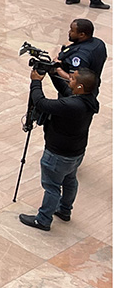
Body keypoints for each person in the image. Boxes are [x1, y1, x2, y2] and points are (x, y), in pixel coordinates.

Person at [19, 67, 100, 231]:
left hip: (58, 154)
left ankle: (43, 220)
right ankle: (64, 210)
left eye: (73, 79)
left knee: (52, 186)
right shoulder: (89, 99)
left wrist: (36, 82)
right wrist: (52, 72)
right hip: (76, 152)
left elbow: (42, 103)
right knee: (70, 180)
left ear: (80, 87)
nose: (69, 79)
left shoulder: (72, 105)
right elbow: (65, 89)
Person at [53, 19, 107, 97]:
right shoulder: (98, 43)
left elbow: (73, 78)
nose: (69, 32)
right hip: (92, 88)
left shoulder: (79, 57)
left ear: (82, 35)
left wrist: (58, 68)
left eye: (72, 30)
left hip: (75, 94)